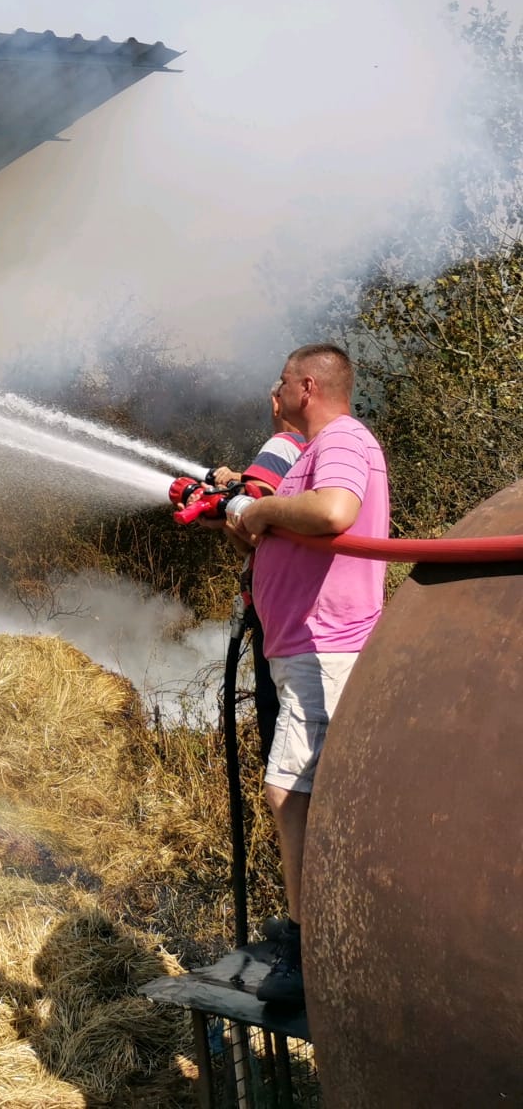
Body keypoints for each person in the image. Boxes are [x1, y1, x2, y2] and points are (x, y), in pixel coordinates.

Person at [223, 343, 389, 1007]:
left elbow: (335, 512)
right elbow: (284, 525)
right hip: (305, 651)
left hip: (329, 650)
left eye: (283, 382)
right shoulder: (308, 455)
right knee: (306, 792)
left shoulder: (342, 438)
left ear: (308, 387)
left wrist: (263, 512)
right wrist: (244, 511)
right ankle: (318, 925)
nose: (276, 393)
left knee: (290, 793)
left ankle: (307, 946)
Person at [208, 392, 308, 769]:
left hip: (278, 617)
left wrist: (225, 505)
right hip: (304, 611)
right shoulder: (317, 453)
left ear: (277, 402)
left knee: (278, 725)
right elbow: (259, 542)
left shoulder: (283, 444)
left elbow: (250, 524)